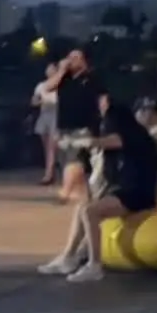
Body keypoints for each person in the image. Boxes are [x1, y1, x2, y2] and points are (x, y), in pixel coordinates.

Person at [38, 89, 157, 281]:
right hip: (126, 190)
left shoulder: (134, 134)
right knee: (82, 207)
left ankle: (94, 264)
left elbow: (108, 141)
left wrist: (77, 141)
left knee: (90, 211)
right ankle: (68, 257)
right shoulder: (135, 134)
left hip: (137, 194)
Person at [50, 49, 105, 205]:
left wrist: (103, 120)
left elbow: (102, 99)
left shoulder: (92, 78)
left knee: (74, 159)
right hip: (64, 125)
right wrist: (61, 70)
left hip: (84, 125)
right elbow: (48, 87)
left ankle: (65, 191)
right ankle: (83, 194)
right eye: (70, 57)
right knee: (66, 159)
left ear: (83, 61)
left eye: (76, 58)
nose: (72, 60)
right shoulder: (63, 78)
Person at [31, 70, 59, 185]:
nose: (49, 71)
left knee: (52, 146)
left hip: (56, 115)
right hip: (44, 115)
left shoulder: (60, 86)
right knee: (46, 146)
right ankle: (50, 171)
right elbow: (34, 101)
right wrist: (39, 102)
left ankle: (49, 174)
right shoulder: (41, 86)